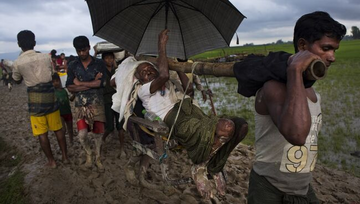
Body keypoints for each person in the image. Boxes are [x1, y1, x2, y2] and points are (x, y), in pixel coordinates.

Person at [114, 29, 248, 199]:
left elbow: (189, 89)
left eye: (149, 68)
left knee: (241, 126)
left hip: (190, 112)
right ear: (139, 79)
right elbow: (162, 74)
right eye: (143, 72)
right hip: (175, 120)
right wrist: (161, 46)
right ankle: (203, 166)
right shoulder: (143, 90)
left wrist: (177, 66)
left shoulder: (170, 84)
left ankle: (211, 167)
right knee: (227, 128)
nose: (147, 71)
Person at [247, 11, 347, 203]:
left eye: (334, 50)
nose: (332, 57)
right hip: (268, 188)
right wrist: (294, 69)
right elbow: (297, 135)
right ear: (302, 45)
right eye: (326, 48)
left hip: (302, 187)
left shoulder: (312, 94)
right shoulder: (273, 88)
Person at [12, 30, 69, 168]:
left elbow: (16, 80)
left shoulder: (18, 62)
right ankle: (65, 157)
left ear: (19, 44)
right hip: (50, 98)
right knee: (58, 130)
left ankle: (52, 161)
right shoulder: (46, 57)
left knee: (42, 134)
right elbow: (51, 74)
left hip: (35, 102)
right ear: (35, 43)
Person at [66, 35, 107, 172]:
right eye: (79, 51)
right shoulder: (72, 65)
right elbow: (70, 87)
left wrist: (80, 83)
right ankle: (89, 154)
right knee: (82, 135)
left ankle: (98, 158)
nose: (82, 53)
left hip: (97, 102)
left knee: (98, 134)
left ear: (89, 47)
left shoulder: (99, 63)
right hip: (80, 104)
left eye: (84, 50)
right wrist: (92, 84)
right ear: (76, 50)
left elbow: (102, 83)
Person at [100, 51, 125, 157]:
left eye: (111, 58)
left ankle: (122, 148)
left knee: (120, 126)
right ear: (103, 60)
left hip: (118, 99)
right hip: (107, 100)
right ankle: (102, 140)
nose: (109, 60)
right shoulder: (101, 72)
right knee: (109, 127)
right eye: (107, 58)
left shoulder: (118, 71)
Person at [52, 73, 74, 145]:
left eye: (57, 81)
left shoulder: (65, 90)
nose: (56, 83)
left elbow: (70, 99)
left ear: (60, 81)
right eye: (53, 82)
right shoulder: (53, 92)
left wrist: (75, 94)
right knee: (63, 129)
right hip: (60, 113)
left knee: (70, 128)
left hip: (68, 112)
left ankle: (71, 141)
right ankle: (63, 142)